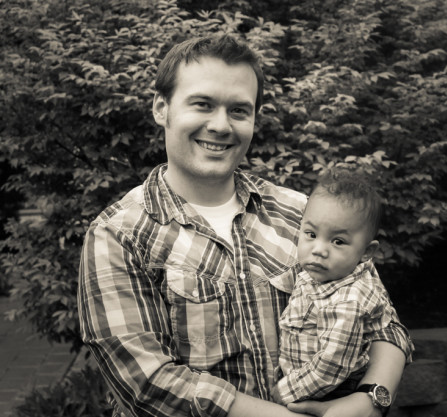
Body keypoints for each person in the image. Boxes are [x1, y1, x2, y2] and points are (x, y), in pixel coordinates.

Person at [77, 34, 412, 417]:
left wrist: (371, 399)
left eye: (239, 110)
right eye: (202, 104)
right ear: (161, 108)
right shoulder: (119, 235)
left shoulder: (300, 216)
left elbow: (384, 323)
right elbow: (146, 382)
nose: (221, 125)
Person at [271, 170, 411, 412]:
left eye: (338, 241)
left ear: (367, 252)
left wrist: (282, 392)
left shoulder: (348, 299)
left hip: (330, 392)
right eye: (311, 235)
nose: (319, 250)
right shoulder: (325, 274)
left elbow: (332, 365)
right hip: (308, 381)